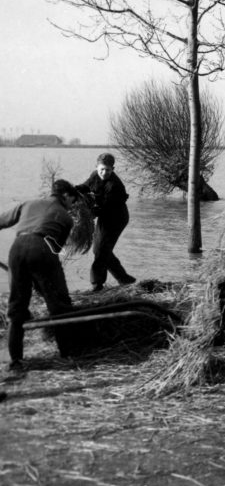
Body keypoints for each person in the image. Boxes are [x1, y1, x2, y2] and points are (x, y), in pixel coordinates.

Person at [0, 180, 82, 372]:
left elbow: (1, 221)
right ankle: (67, 354)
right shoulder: (65, 217)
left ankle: (16, 362)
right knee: (59, 304)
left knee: (16, 309)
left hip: (17, 248)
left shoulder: (28, 203)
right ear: (67, 196)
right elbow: (55, 251)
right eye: (73, 201)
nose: (73, 206)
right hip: (43, 247)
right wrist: (44, 285)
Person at [77, 153, 135, 292]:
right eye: (101, 169)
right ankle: (125, 279)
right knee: (101, 249)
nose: (104, 173)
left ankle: (97, 285)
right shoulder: (94, 175)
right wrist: (73, 191)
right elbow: (86, 187)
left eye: (108, 170)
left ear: (113, 169)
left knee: (100, 250)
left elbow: (104, 209)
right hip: (104, 216)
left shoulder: (115, 186)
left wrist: (87, 214)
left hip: (117, 218)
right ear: (96, 167)